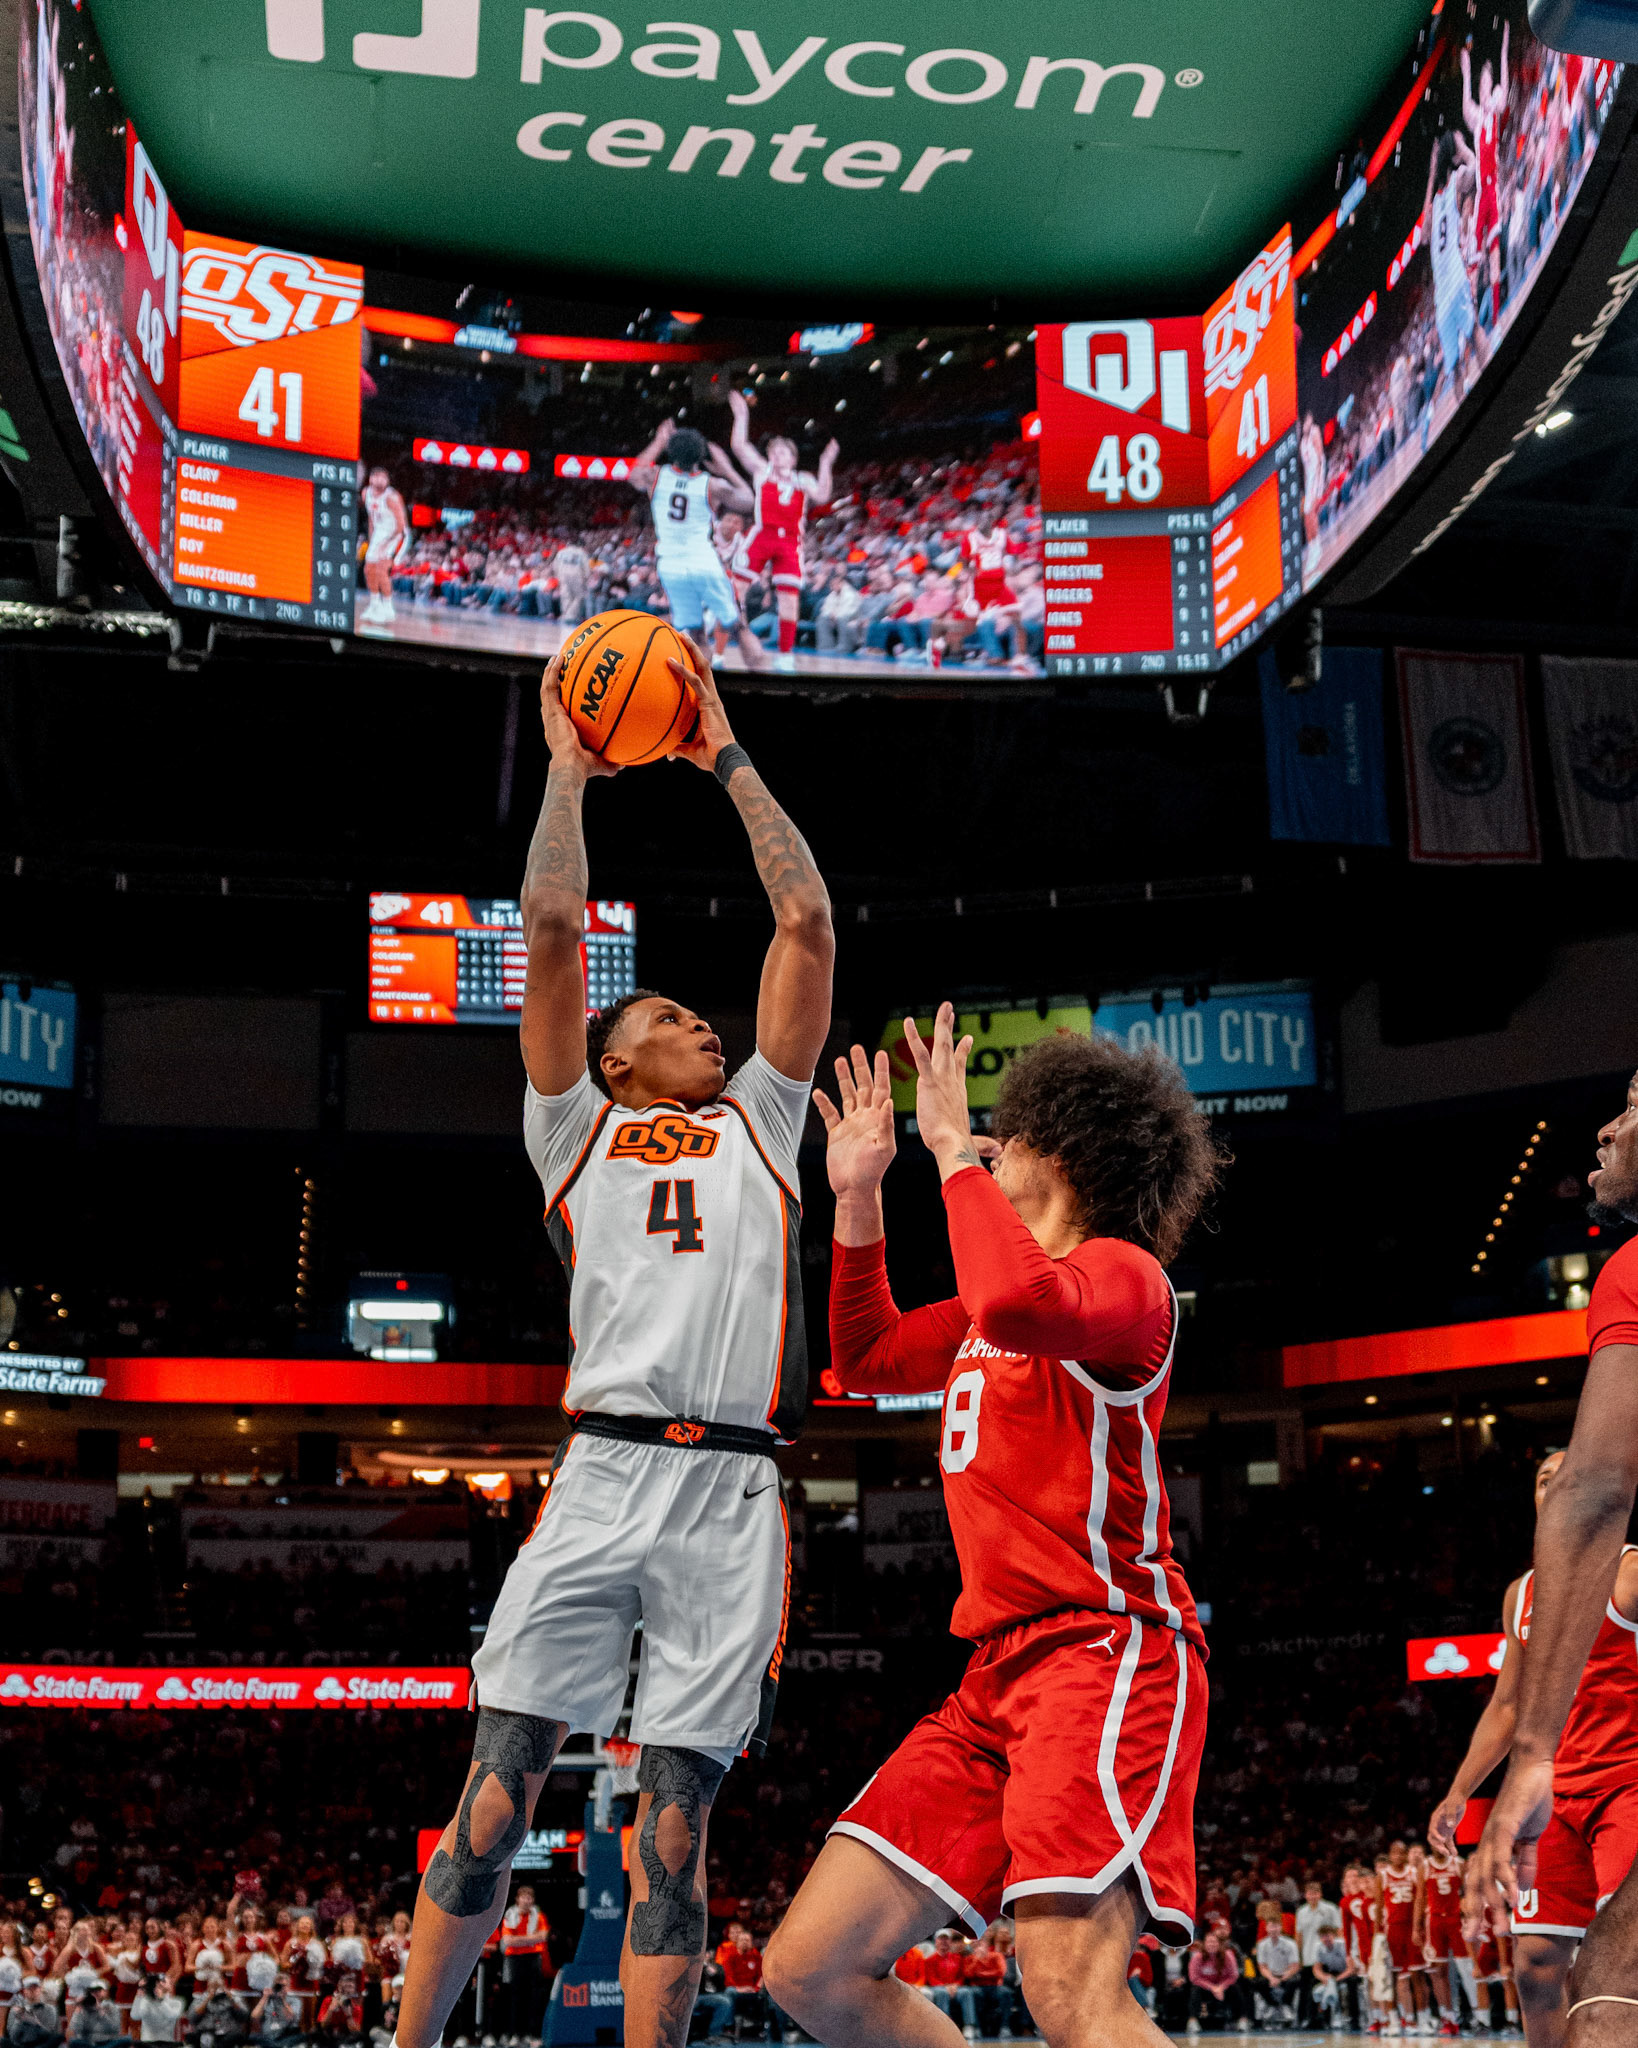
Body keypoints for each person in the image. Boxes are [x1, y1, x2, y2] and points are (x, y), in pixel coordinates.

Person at [393, 636, 833, 2048]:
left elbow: (805, 923)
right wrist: (570, 772)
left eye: (704, 1017)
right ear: (613, 1058)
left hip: (733, 1486)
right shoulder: (569, 1127)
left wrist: (723, 751)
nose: (703, 1026)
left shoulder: (764, 1118)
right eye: (670, 1018)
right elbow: (552, 930)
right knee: (494, 1795)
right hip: (602, 1468)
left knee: (674, 1833)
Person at [762, 1014, 1222, 2048]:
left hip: (1103, 1651)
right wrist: (858, 1196)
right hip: (994, 1675)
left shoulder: (1127, 1279)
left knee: (1068, 1994)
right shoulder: (992, 1306)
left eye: (1007, 1134)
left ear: (1062, 1150)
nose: (988, 1143)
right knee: (810, 1967)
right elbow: (868, 1356)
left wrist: (943, 1150)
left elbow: (1017, 1299)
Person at [1470, 1068, 1638, 2048]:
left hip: (1613, 1781)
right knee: (1574, 1969)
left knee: (1610, 1982)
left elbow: (1595, 1489)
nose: (1608, 1128)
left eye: (1634, 1107)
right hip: (1579, 1789)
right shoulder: (1520, 1596)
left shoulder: (1632, 1271)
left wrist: (1532, 1756)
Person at [627, 420, 766, 672]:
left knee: (696, 633)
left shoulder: (655, 476)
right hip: (703, 561)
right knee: (738, 626)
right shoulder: (711, 484)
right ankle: (762, 680)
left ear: (671, 451)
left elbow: (634, 474)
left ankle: (704, 686)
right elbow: (749, 501)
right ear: (701, 456)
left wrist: (658, 441)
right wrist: (726, 469)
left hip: (671, 565)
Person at [726, 389, 837, 670]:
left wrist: (826, 463)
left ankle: (785, 654)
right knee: (735, 589)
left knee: (789, 599)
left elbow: (823, 495)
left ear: (793, 458)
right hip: (762, 534)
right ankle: (725, 640)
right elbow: (739, 446)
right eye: (773, 451)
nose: (776, 454)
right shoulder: (762, 471)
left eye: (782, 451)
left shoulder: (803, 479)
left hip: (790, 541)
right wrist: (742, 415)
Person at [1378, 1844, 1430, 2037]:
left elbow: (1420, 1900)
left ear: (1406, 1855)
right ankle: (1393, 2020)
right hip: (1392, 1929)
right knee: (1391, 1978)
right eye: (1394, 1852)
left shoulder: (1414, 1873)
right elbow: (1378, 1908)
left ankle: (1422, 2020)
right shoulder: (1383, 1876)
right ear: (1390, 1855)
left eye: (1402, 1852)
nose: (1398, 1856)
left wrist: (1418, 1927)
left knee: (1418, 1976)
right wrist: (1377, 1936)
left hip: (1411, 1929)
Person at [359, 467, 408, 629]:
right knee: (368, 570)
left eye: (383, 477)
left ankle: (388, 608)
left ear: (387, 481)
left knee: (381, 569)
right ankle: (375, 605)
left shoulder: (391, 498)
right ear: (371, 479)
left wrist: (386, 545)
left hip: (397, 535)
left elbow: (401, 526)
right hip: (380, 533)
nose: (380, 480)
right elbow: (371, 518)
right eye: (377, 477)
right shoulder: (366, 493)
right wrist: (372, 539)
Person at [1296, 1882, 1343, 2029]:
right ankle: (1305, 2019)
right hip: (1308, 1955)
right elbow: (1299, 1935)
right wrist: (1299, 1957)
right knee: (1307, 1989)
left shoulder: (1330, 1909)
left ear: (1320, 1894)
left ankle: (1325, 2019)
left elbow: (1338, 1930)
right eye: (1309, 1893)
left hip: (1326, 1956)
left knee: (1324, 1986)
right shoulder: (1301, 1911)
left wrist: (1338, 1952)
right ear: (1305, 1895)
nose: (1312, 1896)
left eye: (1315, 1893)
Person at [1186, 1935, 1246, 2034]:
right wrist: (1213, 1988)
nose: (1211, 1944)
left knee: (1236, 1987)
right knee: (1195, 1990)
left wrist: (1221, 1987)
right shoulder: (1197, 1957)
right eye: (1209, 1942)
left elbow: (1233, 1976)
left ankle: (1242, 2020)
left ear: (1219, 1944)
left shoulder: (1228, 1955)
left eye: (1214, 1942)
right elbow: (1194, 1978)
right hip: (1206, 1988)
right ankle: (1193, 2021)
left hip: (1223, 1988)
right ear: (1204, 1944)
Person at [1255, 1911, 1301, 2028]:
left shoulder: (1290, 1943)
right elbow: (1262, 1967)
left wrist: (1284, 1977)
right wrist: (1271, 1978)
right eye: (1271, 1926)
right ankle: (1272, 2005)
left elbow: (1295, 1965)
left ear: (1280, 1927)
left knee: (1294, 1981)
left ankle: (1286, 2005)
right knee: (1258, 1983)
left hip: (1286, 1974)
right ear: (1266, 1928)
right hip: (1270, 1975)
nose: (1273, 1929)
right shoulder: (1262, 1944)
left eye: (1276, 1926)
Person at [1310, 1926, 1350, 2033]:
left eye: (1328, 1936)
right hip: (1330, 1973)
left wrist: (1336, 1980)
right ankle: (1319, 2018)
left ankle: (1352, 2018)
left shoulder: (1343, 1945)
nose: (1325, 1939)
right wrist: (1324, 1978)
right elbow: (1316, 1968)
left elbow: (1351, 1968)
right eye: (1323, 1936)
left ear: (1334, 1936)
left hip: (1345, 1972)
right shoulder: (1318, 1947)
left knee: (1352, 1983)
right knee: (1313, 1982)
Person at [247, 1974, 300, 2048]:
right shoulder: (268, 1999)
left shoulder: (294, 2000)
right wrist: (264, 1997)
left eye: (283, 1986)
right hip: (267, 2037)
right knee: (252, 2036)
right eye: (278, 1985)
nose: (280, 1988)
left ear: (288, 1987)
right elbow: (254, 2016)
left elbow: (290, 2017)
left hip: (285, 2035)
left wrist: (282, 2000)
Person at [129, 1977, 185, 2047]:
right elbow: (135, 2016)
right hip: (147, 2042)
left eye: (163, 1981)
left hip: (168, 2042)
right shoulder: (146, 2001)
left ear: (171, 1986)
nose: (159, 1983)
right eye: (158, 1982)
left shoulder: (177, 2002)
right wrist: (139, 1996)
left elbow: (172, 2015)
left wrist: (160, 2000)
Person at [7, 1980, 59, 2048]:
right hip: (20, 2044)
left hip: (42, 2044)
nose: (32, 1991)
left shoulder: (49, 2009)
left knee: (57, 2037)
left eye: (35, 1988)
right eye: (29, 1989)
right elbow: (12, 2035)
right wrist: (19, 2020)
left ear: (40, 1990)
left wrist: (34, 2022)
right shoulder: (15, 2010)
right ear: (24, 1991)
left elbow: (49, 2033)